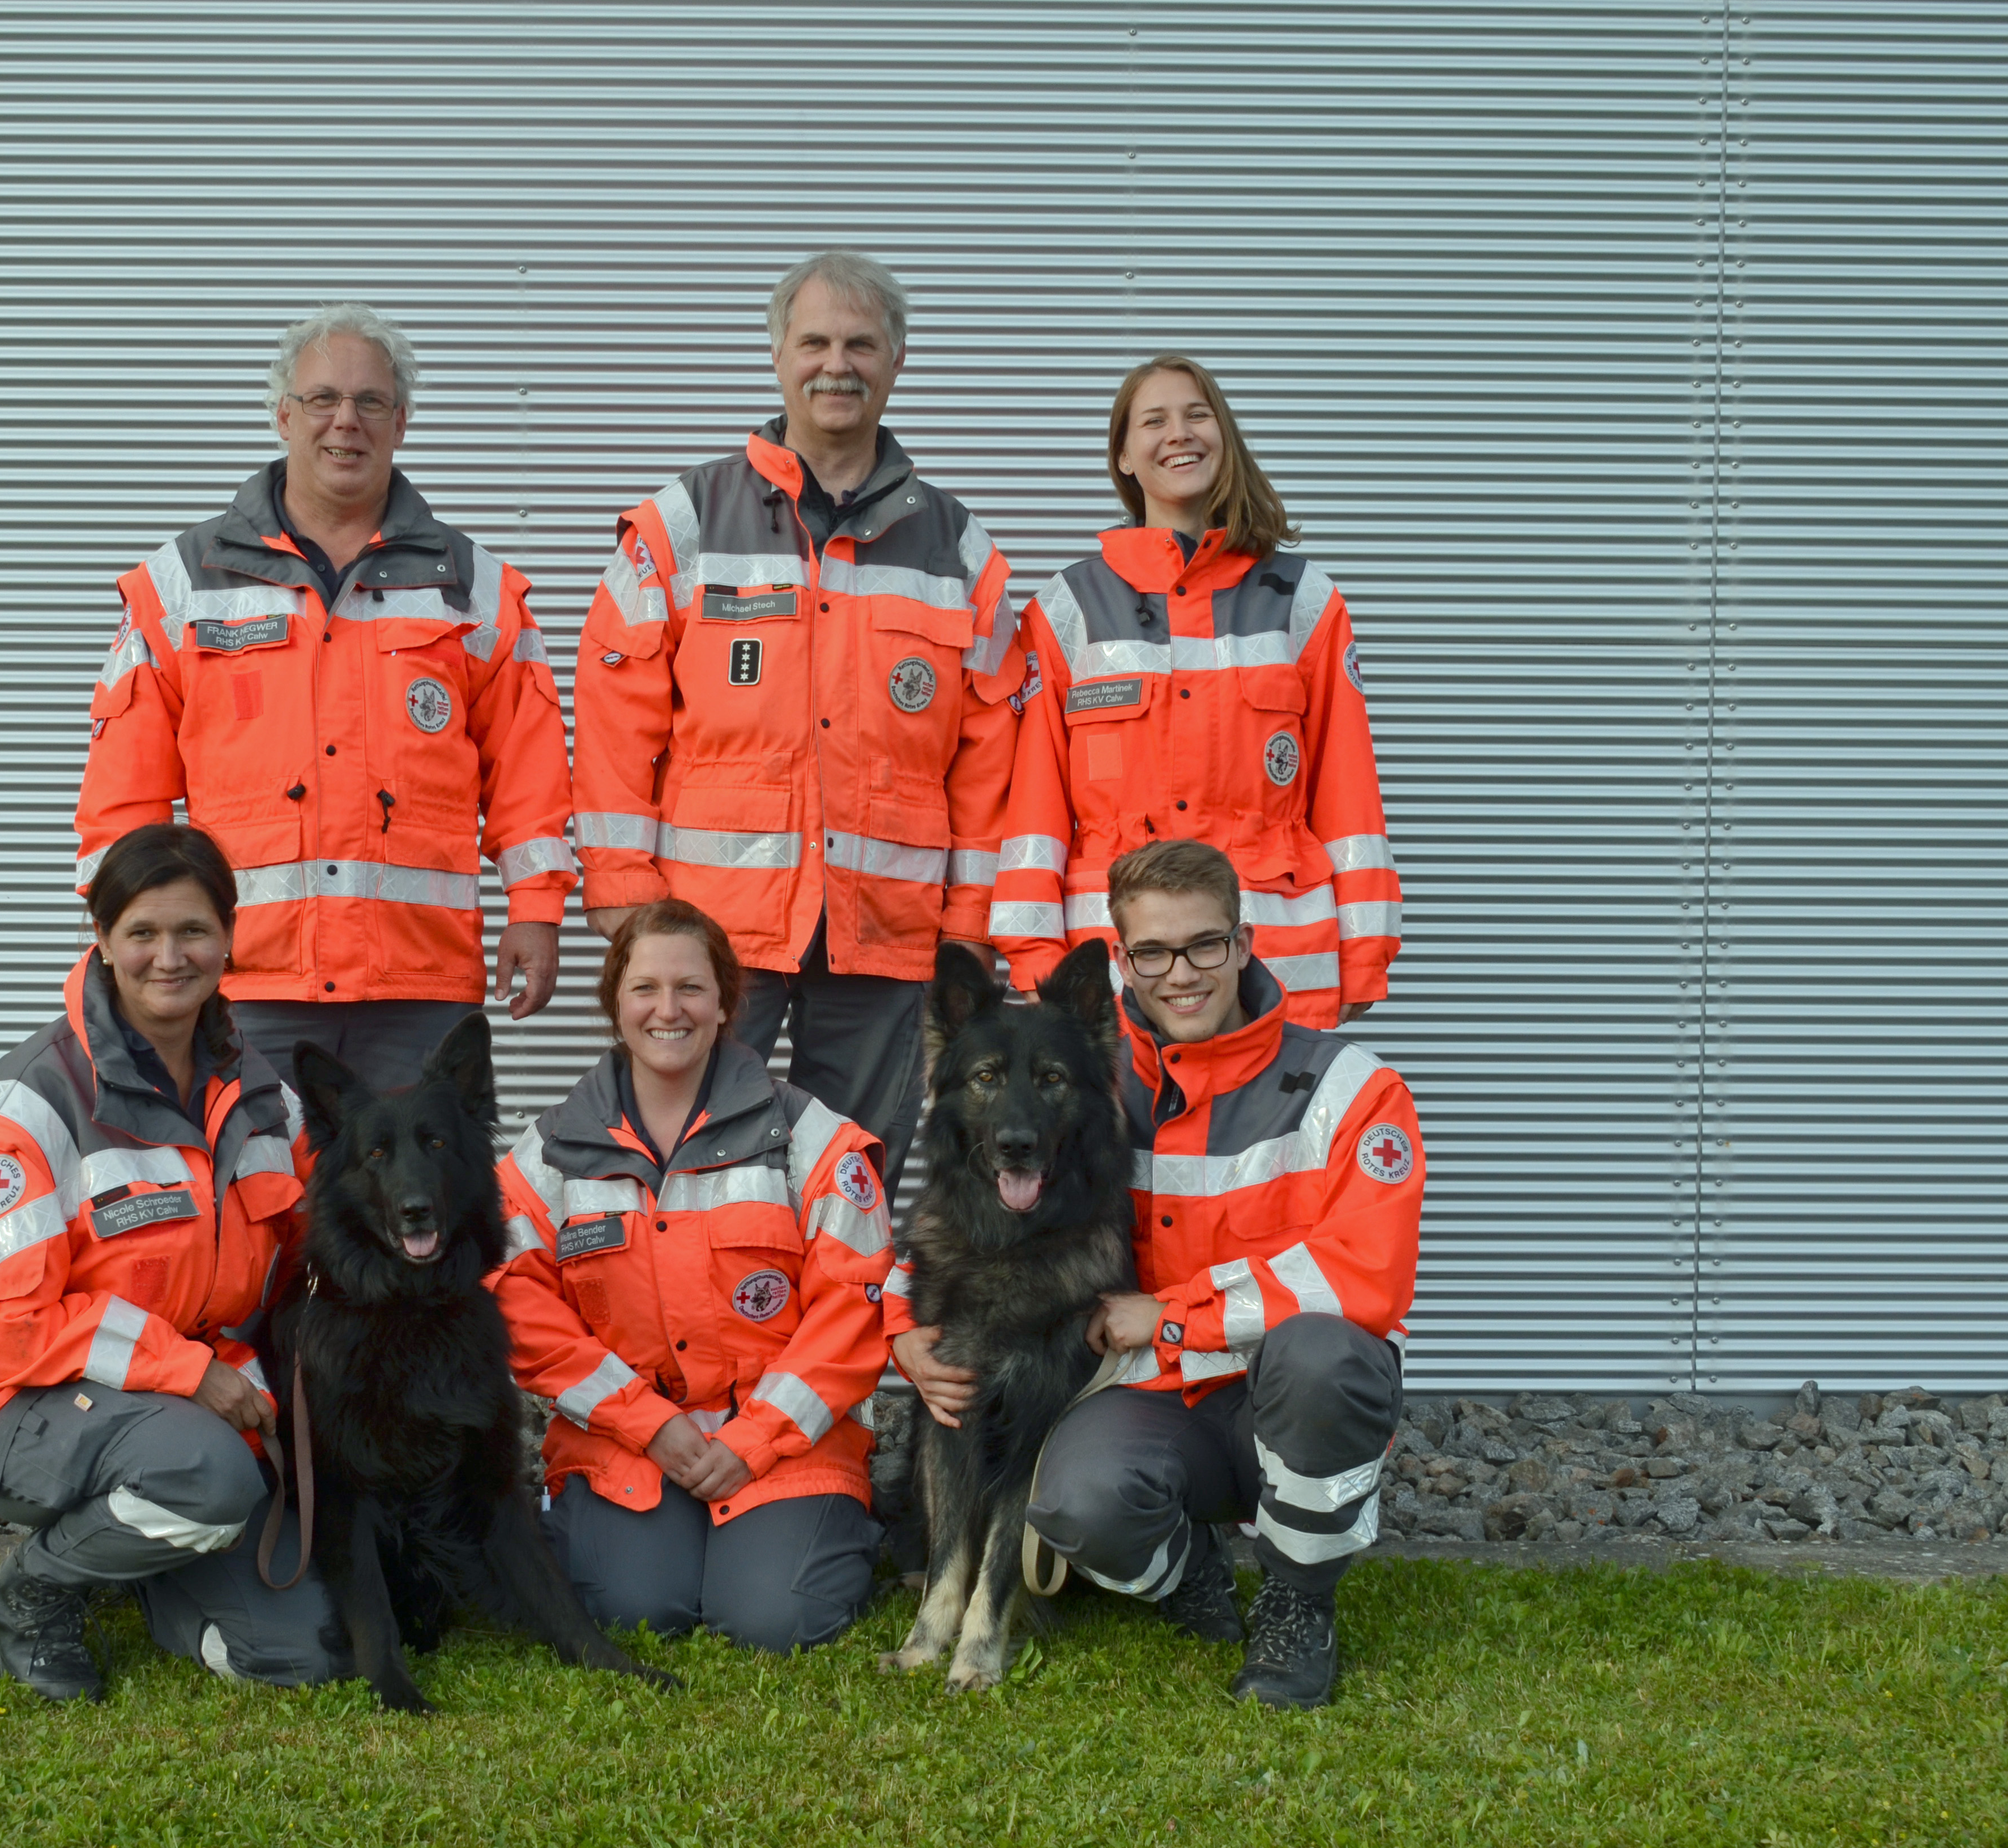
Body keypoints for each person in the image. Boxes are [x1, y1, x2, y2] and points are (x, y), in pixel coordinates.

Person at [893, 840, 1421, 1709]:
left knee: (1324, 1356)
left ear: (1245, 945)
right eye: (1152, 953)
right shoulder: (1093, 1080)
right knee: (1073, 1501)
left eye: (1204, 945)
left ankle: (1298, 1605)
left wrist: (1172, 1317)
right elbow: (960, 1223)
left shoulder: (1348, 1088)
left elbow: (1366, 1275)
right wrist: (901, 1334)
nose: (1181, 974)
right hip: (1156, 1397)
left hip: (1282, 1396)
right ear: (1125, 965)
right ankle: (1187, 1570)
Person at [571, 252, 1026, 1183]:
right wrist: (621, 892)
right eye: (813, 340)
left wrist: (971, 921)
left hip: (888, 927)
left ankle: (835, 1330)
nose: (836, 362)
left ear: (896, 360)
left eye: (860, 343)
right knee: (686, 1155)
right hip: (710, 924)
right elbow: (616, 719)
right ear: (777, 356)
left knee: (852, 1172)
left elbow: (991, 755)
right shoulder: (684, 522)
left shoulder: (957, 546)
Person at [76, 302, 576, 1089]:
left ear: (402, 422)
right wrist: (125, 940)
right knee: (252, 1203)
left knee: (414, 1209)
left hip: (420, 981)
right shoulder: (182, 586)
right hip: (244, 975)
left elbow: (531, 774)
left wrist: (538, 909)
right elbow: (122, 798)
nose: (346, 421)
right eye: (322, 400)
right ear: (283, 415)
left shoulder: (474, 589)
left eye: (371, 402)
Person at [0, 823, 343, 1701]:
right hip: (9, 1400)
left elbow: (322, 1235)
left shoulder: (259, 1096)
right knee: (207, 1475)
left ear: (229, 938)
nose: (169, 957)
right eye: (142, 933)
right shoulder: (31, 1109)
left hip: (178, 1408)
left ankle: (144, 1563)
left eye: (194, 932)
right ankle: (33, 1595)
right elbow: (4, 1327)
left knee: (306, 1653)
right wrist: (190, 1376)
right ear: (102, 942)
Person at [493, 899, 894, 1651]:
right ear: (616, 1002)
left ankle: (825, 1532)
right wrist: (652, 1425)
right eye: (644, 988)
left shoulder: (812, 1140)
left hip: (788, 1443)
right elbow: (515, 1303)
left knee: (775, 1619)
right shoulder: (549, 1151)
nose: (666, 1010)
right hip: (629, 1441)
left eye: (691, 988)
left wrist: (755, 1440)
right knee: (635, 1609)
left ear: (725, 1004)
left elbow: (852, 1312)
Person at [990, 356, 1402, 1029]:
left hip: (1275, 963)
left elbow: (1348, 796)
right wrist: (1037, 959)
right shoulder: (1067, 611)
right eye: (1153, 421)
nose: (1177, 434)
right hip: (1114, 964)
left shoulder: (1302, 603)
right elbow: (1032, 813)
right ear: (1122, 456)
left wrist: (1363, 955)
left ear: (1224, 435)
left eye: (1196, 414)